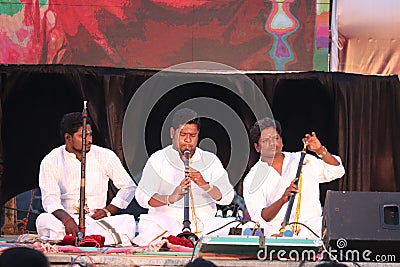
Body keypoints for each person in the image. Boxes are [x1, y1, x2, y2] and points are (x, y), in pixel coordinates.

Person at [133, 108, 235, 246]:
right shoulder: (158, 159)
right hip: (166, 225)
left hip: (204, 227)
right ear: (172, 133)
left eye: (192, 136)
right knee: (149, 228)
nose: (188, 140)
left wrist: (204, 184)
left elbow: (227, 197)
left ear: (198, 135)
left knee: (234, 226)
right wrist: (170, 198)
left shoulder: (210, 160)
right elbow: (142, 197)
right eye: (183, 134)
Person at [36, 112, 137, 246]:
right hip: (64, 221)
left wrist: (108, 210)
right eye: (83, 136)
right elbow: (50, 200)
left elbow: (129, 186)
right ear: (68, 138)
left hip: (96, 221)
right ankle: (91, 238)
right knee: (44, 220)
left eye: (90, 135)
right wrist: (67, 220)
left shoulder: (105, 155)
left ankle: (76, 238)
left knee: (128, 222)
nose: (89, 140)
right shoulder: (51, 160)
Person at [243, 117, 345, 238]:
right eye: (266, 140)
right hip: (276, 233)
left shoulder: (302, 160)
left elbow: (337, 170)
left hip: (311, 228)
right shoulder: (252, 178)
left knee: (330, 224)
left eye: (276, 138)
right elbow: (262, 217)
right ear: (257, 147)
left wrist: (320, 150)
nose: (272, 143)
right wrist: (282, 200)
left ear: (281, 140)